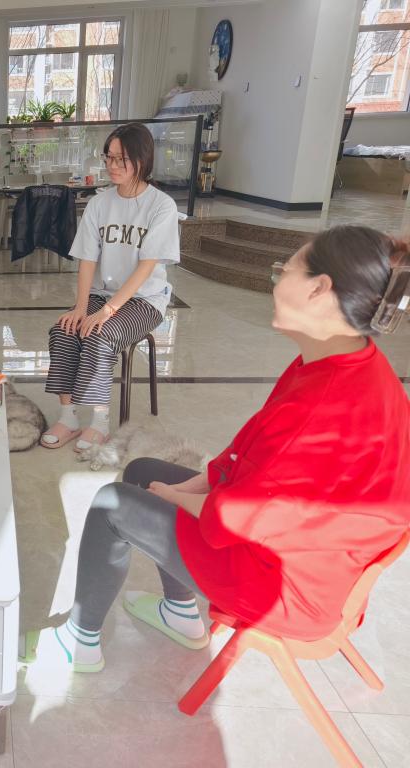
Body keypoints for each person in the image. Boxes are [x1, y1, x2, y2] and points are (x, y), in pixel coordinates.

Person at [52, 225, 410, 673]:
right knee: (143, 469)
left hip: (284, 586)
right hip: (305, 557)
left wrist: (176, 497)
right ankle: (180, 612)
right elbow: (248, 448)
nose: (276, 282)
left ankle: (78, 643)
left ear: (319, 289)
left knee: (112, 504)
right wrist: (190, 486)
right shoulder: (349, 363)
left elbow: (236, 517)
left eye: (285, 270)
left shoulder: (322, 406)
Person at [42, 122, 180, 451]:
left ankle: (100, 423)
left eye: (122, 159)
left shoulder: (161, 206)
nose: (112, 165)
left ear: (142, 160)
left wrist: (107, 311)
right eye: (109, 157)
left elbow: (147, 267)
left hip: (145, 301)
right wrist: (80, 307)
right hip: (102, 294)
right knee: (63, 330)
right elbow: (87, 259)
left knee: (100, 334)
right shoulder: (99, 203)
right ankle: (68, 418)